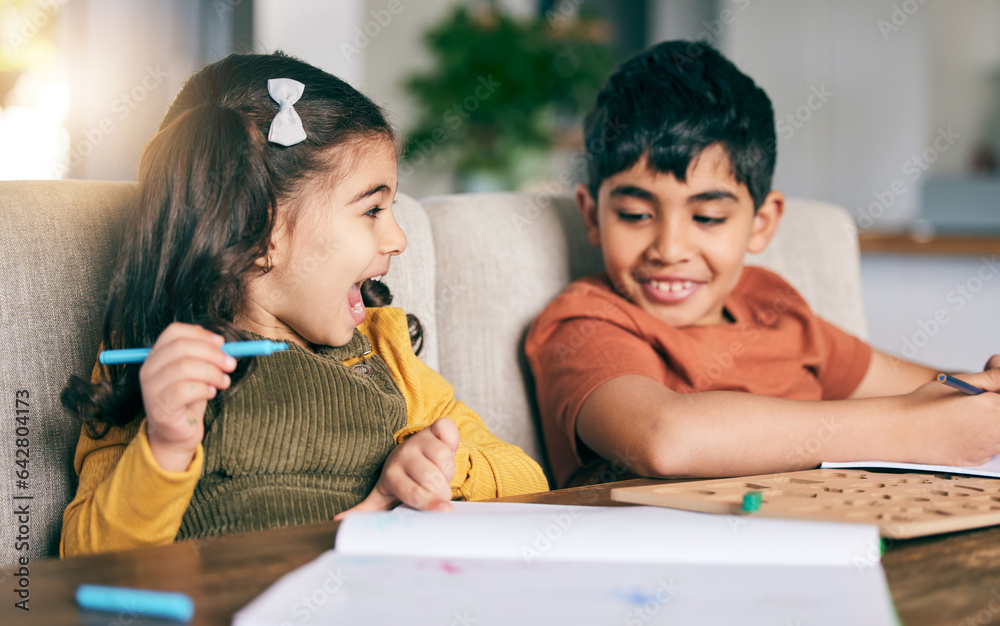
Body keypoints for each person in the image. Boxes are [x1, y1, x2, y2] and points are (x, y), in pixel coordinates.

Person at [60, 52, 547, 557]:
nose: (398, 239)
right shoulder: (152, 365)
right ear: (259, 230)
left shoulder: (386, 355)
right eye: (373, 209)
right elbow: (86, 561)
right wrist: (163, 446)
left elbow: (528, 479)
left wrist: (443, 465)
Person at [524, 41, 1000, 489]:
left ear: (761, 222)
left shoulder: (771, 303)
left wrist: (980, 396)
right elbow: (664, 439)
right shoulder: (586, 323)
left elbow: (928, 387)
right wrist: (908, 428)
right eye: (635, 215)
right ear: (592, 215)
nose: (668, 249)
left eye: (707, 217)